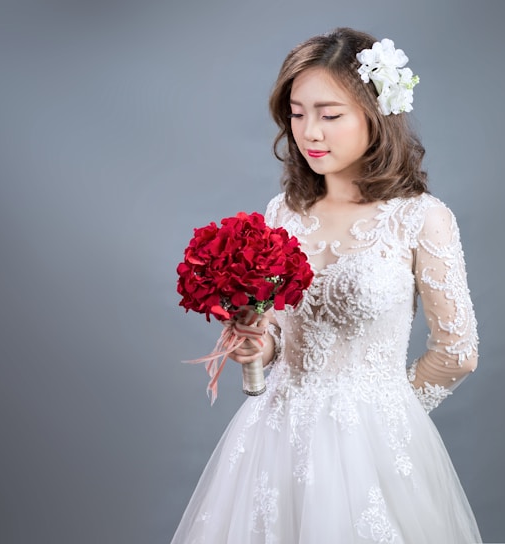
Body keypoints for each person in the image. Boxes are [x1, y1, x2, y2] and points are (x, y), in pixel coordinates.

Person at [172, 27, 481, 543]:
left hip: (376, 447)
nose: (310, 132)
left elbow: (458, 350)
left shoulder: (420, 219)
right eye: (297, 113)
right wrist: (256, 343)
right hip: (274, 439)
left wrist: (388, 412)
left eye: (329, 114)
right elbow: (276, 335)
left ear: (375, 114)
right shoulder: (282, 213)